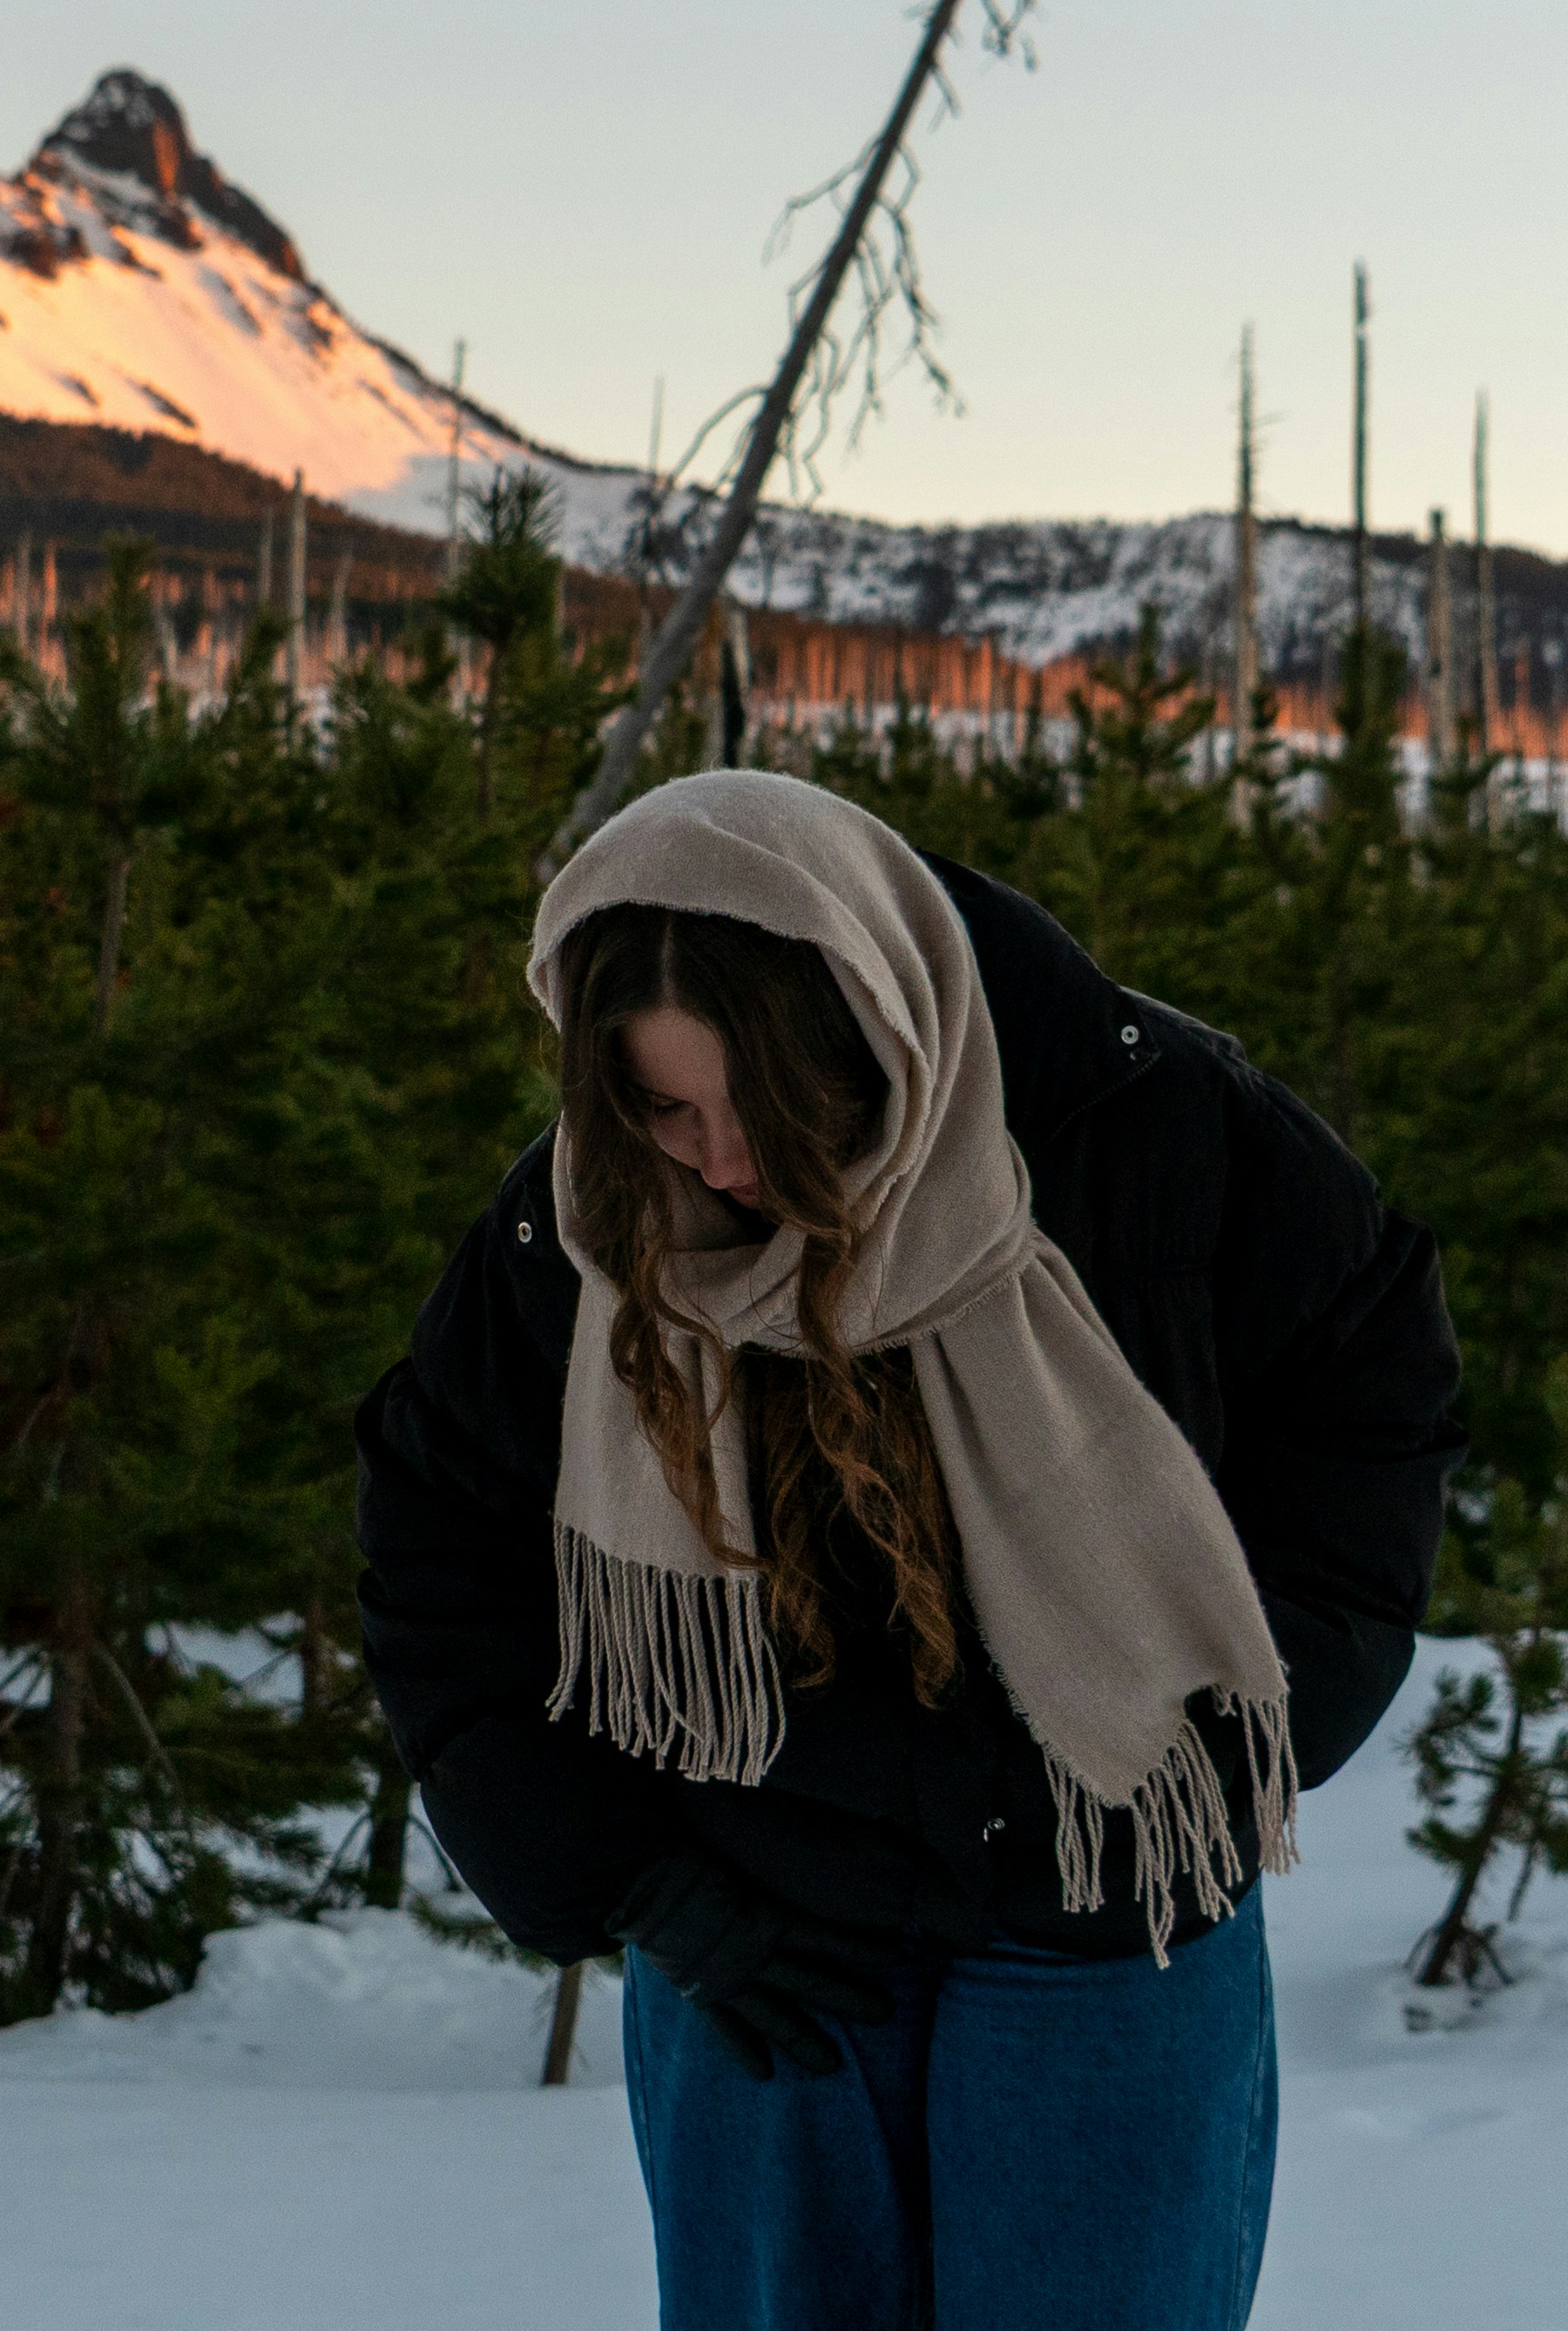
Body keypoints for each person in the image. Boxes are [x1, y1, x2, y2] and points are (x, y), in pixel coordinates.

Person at [355, 770, 1463, 2331]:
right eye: (667, 1108)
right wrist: (637, 1887)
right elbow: (440, 1569)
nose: (724, 1163)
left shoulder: (1147, 1119)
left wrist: (1241, 1729)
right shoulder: (581, 1230)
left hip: (1113, 1903)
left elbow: (1369, 1406)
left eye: (770, 1104)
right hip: (765, 1941)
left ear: (870, 1013)